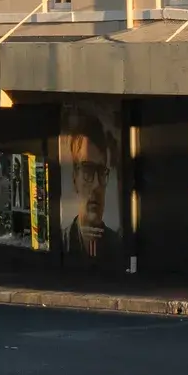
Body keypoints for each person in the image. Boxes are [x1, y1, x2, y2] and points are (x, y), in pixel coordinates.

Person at [61, 107, 123, 268]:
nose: (96, 184)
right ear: (75, 179)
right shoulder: (60, 245)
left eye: (101, 172)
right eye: (88, 170)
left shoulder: (120, 248)